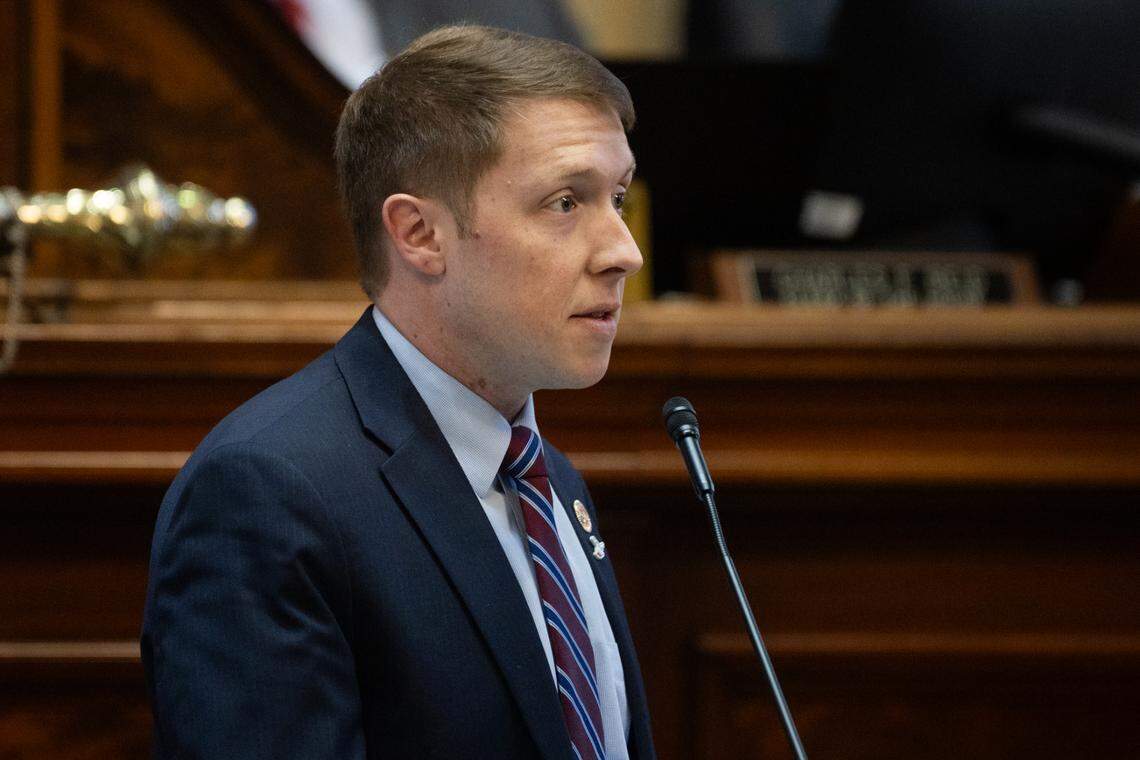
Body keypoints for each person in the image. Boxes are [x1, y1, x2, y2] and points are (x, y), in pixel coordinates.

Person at [141, 24, 656, 760]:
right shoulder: (268, 494)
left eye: (619, 197)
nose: (622, 252)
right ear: (419, 235)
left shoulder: (546, 480)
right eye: (566, 202)